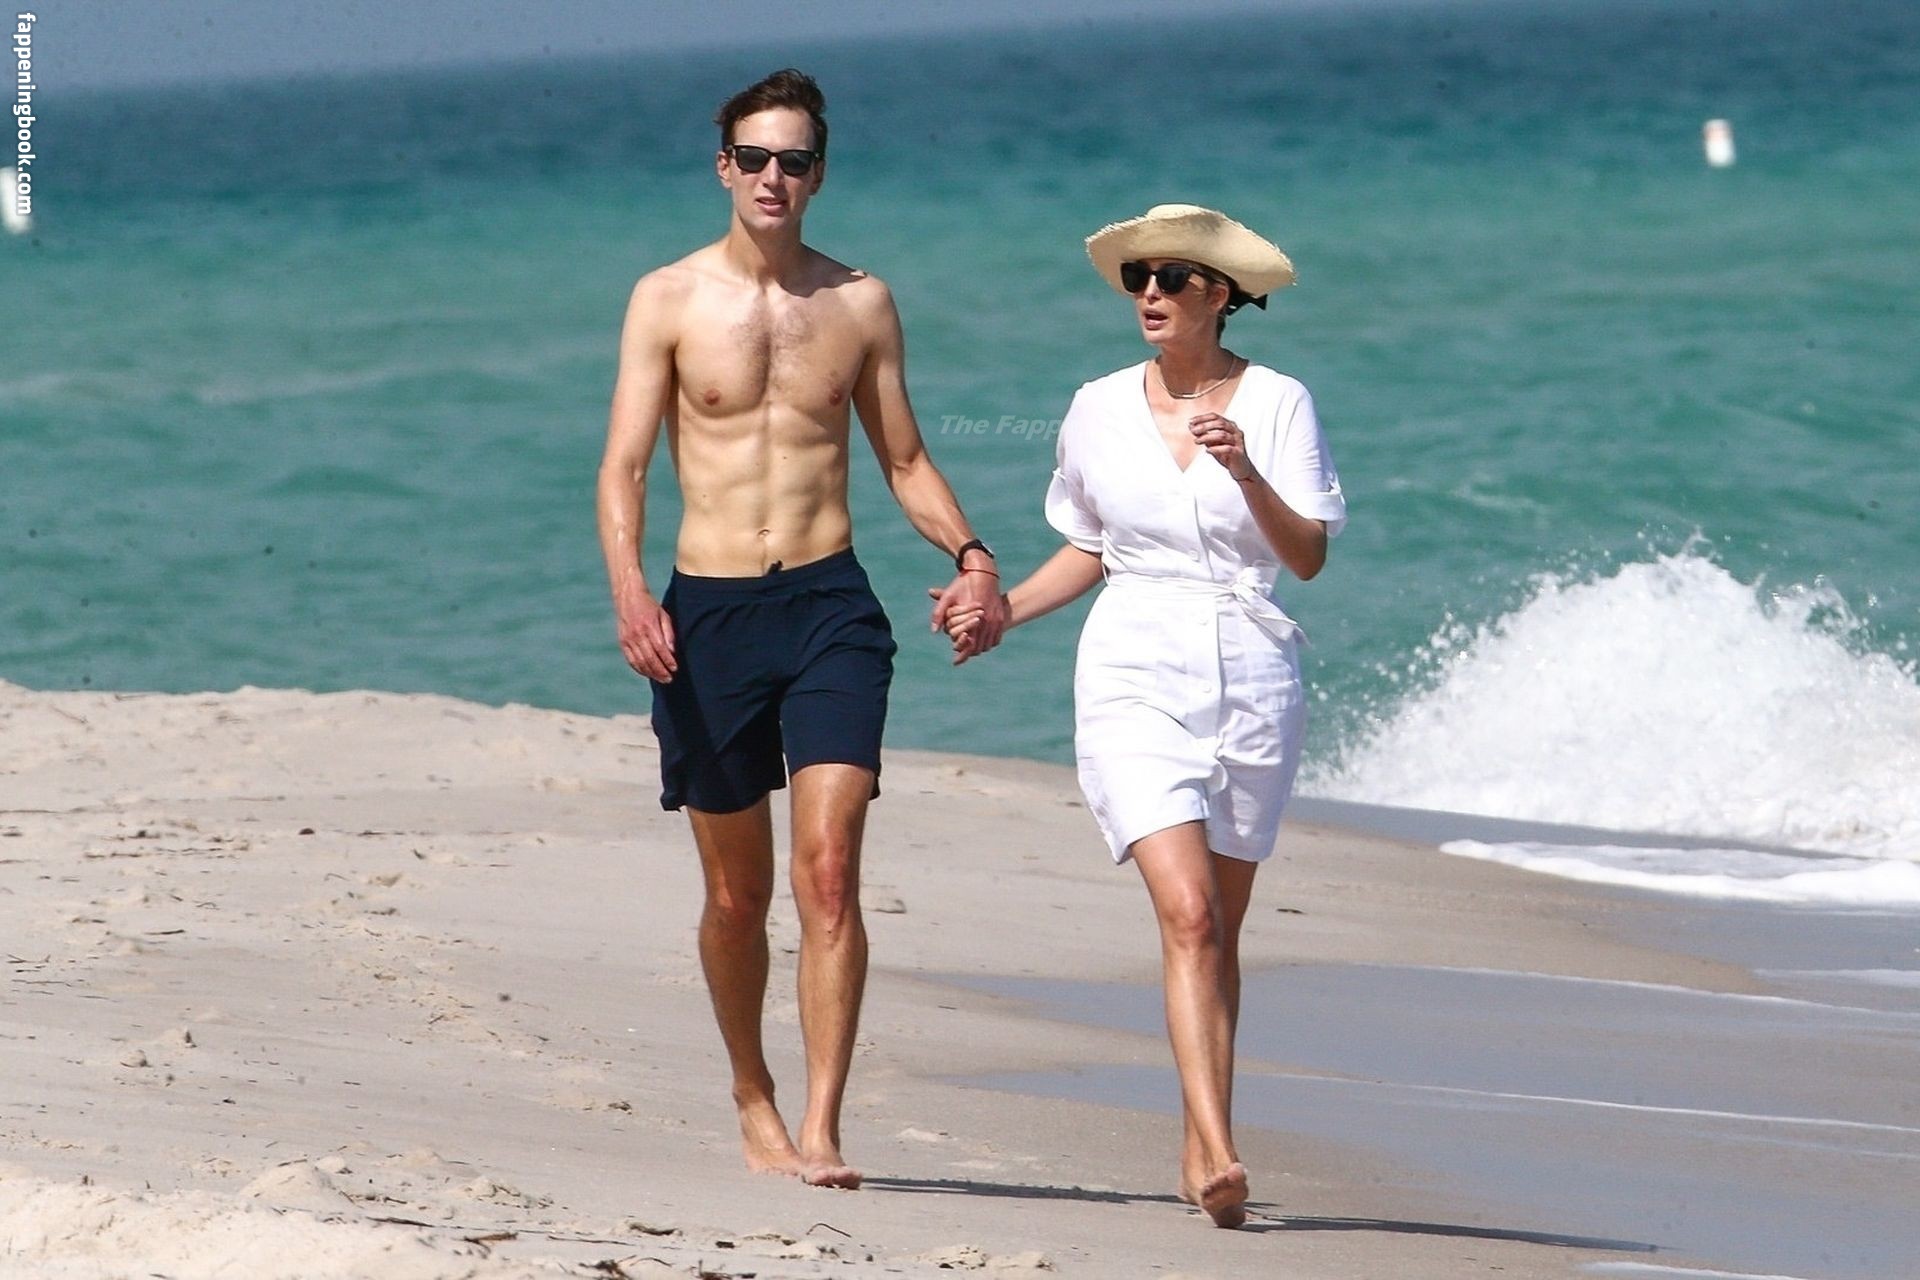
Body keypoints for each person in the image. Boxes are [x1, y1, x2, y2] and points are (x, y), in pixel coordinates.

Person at [596, 68, 1010, 1191]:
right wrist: (631, 591)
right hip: (708, 616)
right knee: (739, 898)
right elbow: (625, 466)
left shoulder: (861, 303)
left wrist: (972, 557)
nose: (773, 176)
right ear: (723, 168)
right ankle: (753, 1093)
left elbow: (905, 461)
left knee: (828, 874)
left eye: (794, 160)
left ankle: (824, 1124)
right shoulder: (666, 299)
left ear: (818, 175)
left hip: (830, 606)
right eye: (755, 158)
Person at [943, 204, 1346, 1227]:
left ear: (1222, 294)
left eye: (1172, 278)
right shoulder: (1096, 407)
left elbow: (1306, 555)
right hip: (1133, 667)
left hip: (1252, 670)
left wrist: (1244, 467)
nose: (1151, 294)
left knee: (1220, 930)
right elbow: (1090, 547)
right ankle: (1218, 1148)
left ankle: (1198, 1142)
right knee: (1189, 913)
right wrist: (1003, 609)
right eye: (1138, 279)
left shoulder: (1280, 402)